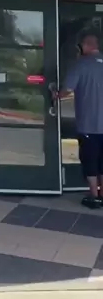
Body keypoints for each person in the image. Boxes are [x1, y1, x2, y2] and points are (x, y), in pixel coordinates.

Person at [57, 32, 103, 208]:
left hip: (88, 125)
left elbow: (67, 90)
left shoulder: (81, 65)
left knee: (90, 160)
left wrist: (55, 94)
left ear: (86, 45)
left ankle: (94, 196)